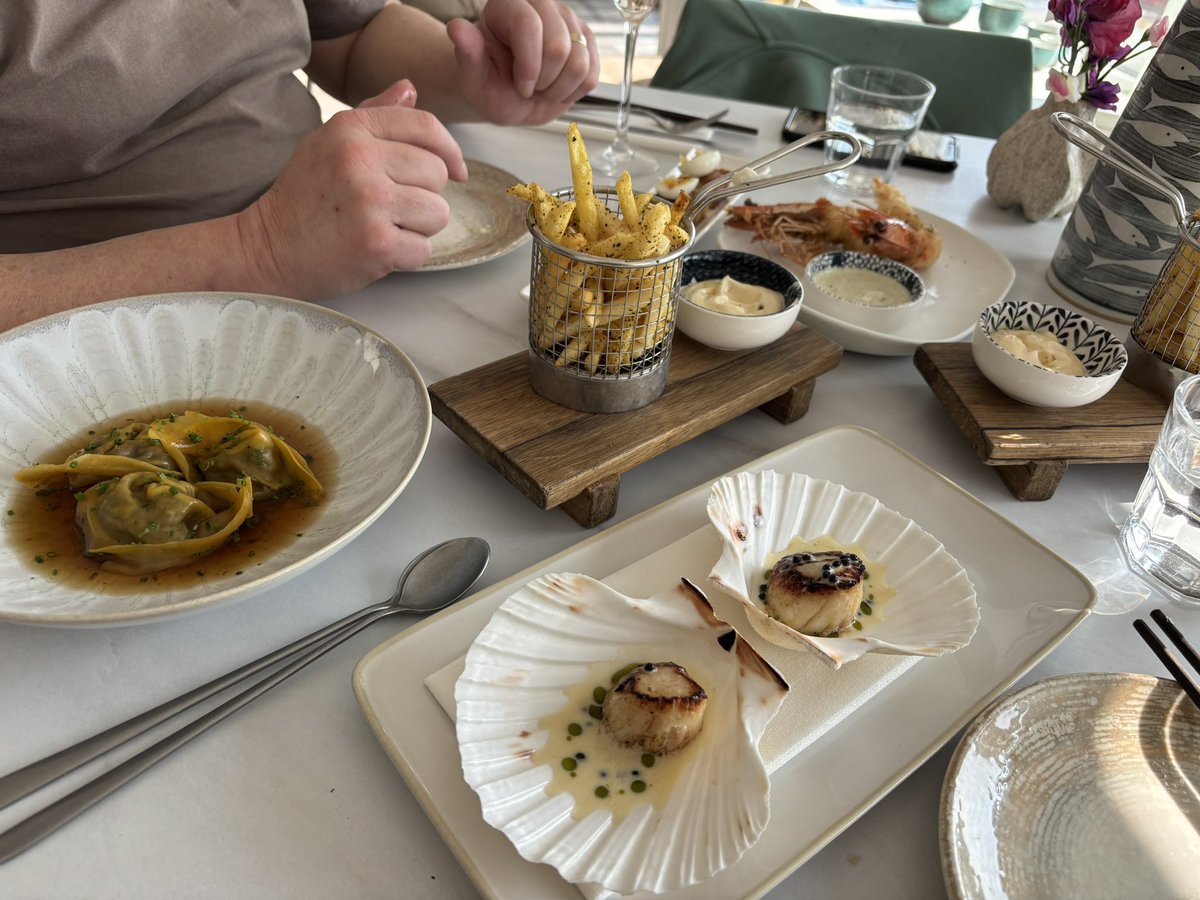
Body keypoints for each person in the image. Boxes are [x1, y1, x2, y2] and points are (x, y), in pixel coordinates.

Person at [0, 0, 598, 333]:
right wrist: (258, 249)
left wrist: (470, 76)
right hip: (89, 349)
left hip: (348, 276)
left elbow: (347, 36)